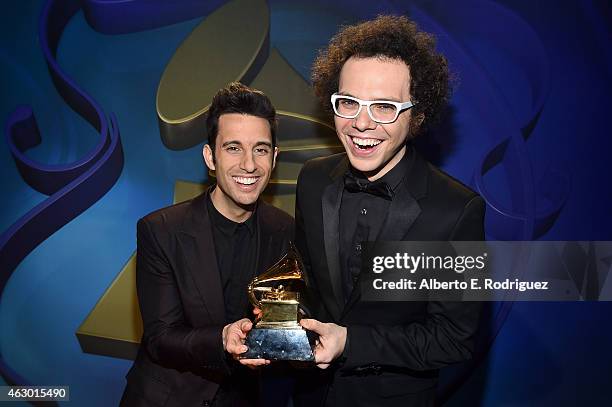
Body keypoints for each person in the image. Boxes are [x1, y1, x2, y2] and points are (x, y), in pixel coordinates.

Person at [294, 15, 486, 406]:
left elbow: (453, 339)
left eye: (384, 107)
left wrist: (350, 342)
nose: (361, 123)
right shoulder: (312, 180)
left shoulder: (457, 210)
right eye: (348, 103)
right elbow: (306, 285)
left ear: (416, 114)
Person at [120, 82, 293, 407]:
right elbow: (160, 338)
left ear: (274, 157)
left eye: (260, 148)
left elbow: (278, 317)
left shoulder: (284, 230)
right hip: (169, 399)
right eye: (233, 148)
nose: (249, 164)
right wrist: (221, 339)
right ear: (210, 157)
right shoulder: (160, 230)